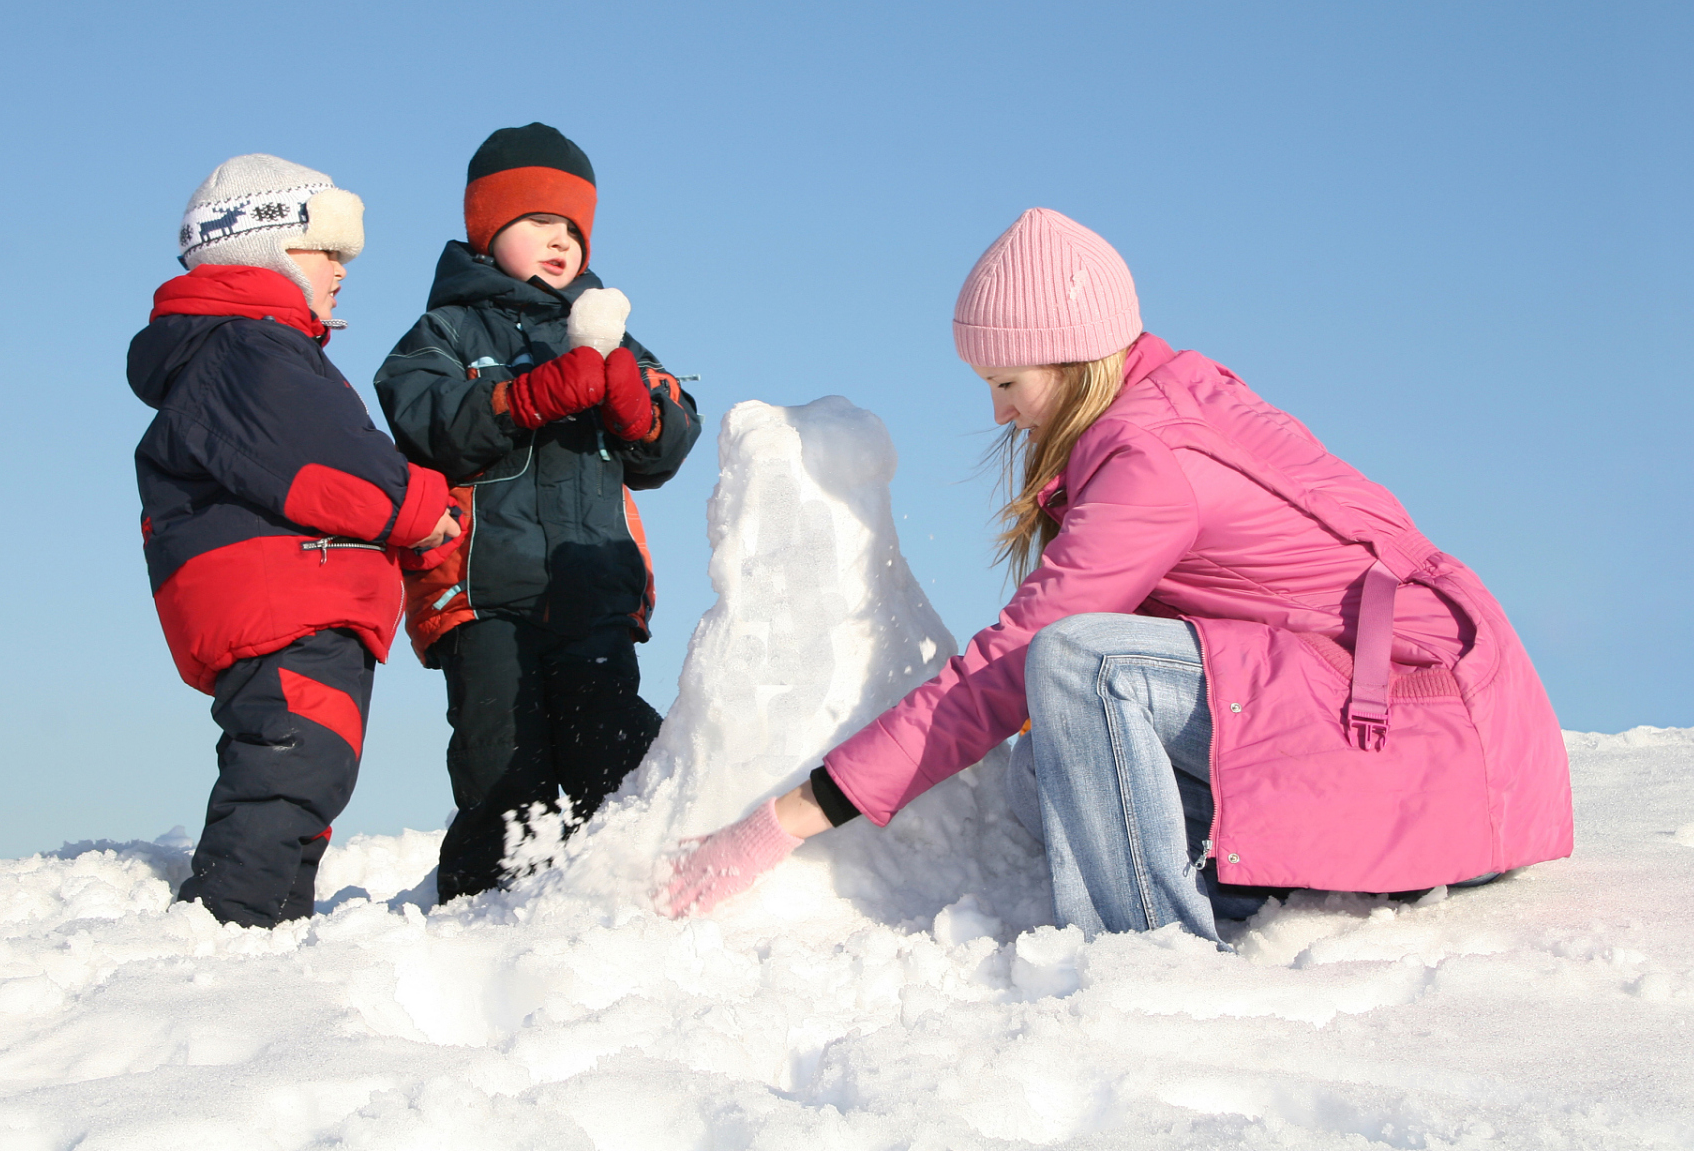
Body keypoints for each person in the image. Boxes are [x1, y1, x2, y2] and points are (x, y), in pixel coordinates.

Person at [660, 207, 1573, 946]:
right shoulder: (1154, 403)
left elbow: (1011, 665)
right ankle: (1261, 884)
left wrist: (785, 820)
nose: (999, 411)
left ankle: (1145, 954)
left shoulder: (1150, 455)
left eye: (1008, 382)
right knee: (1041, 772)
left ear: (1073, 356)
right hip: (1404, 724)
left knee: (1075, 666)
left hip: (1432, 737)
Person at [129, 155, 461, 928]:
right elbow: (327, 461)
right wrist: (422, 508)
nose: (343, 271)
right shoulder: (250, 351)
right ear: (263, 246)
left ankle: (270, 939)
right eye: (328, 250)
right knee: (288, 771)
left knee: (304, 774)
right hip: (287, 605)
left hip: (294, 601)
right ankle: (224, 930)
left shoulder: (250, 350)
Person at [375, 123, 703, 904]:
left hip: (594, 588)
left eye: (572, 229)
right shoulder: (446, 332)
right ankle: (485, 908)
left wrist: (633, 399)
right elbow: (423, 416)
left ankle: (611, 896)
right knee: (504, 755)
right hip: (485, 595)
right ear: (487, 229)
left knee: (608, 748)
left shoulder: (612, 333)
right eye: (537, 223)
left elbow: (667, 440)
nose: (559, 243)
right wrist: (522, 397)